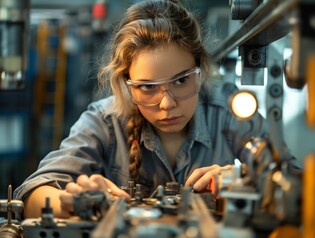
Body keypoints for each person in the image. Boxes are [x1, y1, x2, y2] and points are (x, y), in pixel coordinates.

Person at [13, 0, 300, 219]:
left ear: (201, 70)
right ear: (126, 84)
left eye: (181, 80)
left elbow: (297, 185)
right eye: (147, 87)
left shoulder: (228, 110)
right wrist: (72, 201)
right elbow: (32, 193)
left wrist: (242, 181)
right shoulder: (104, 121)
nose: (167, 104)